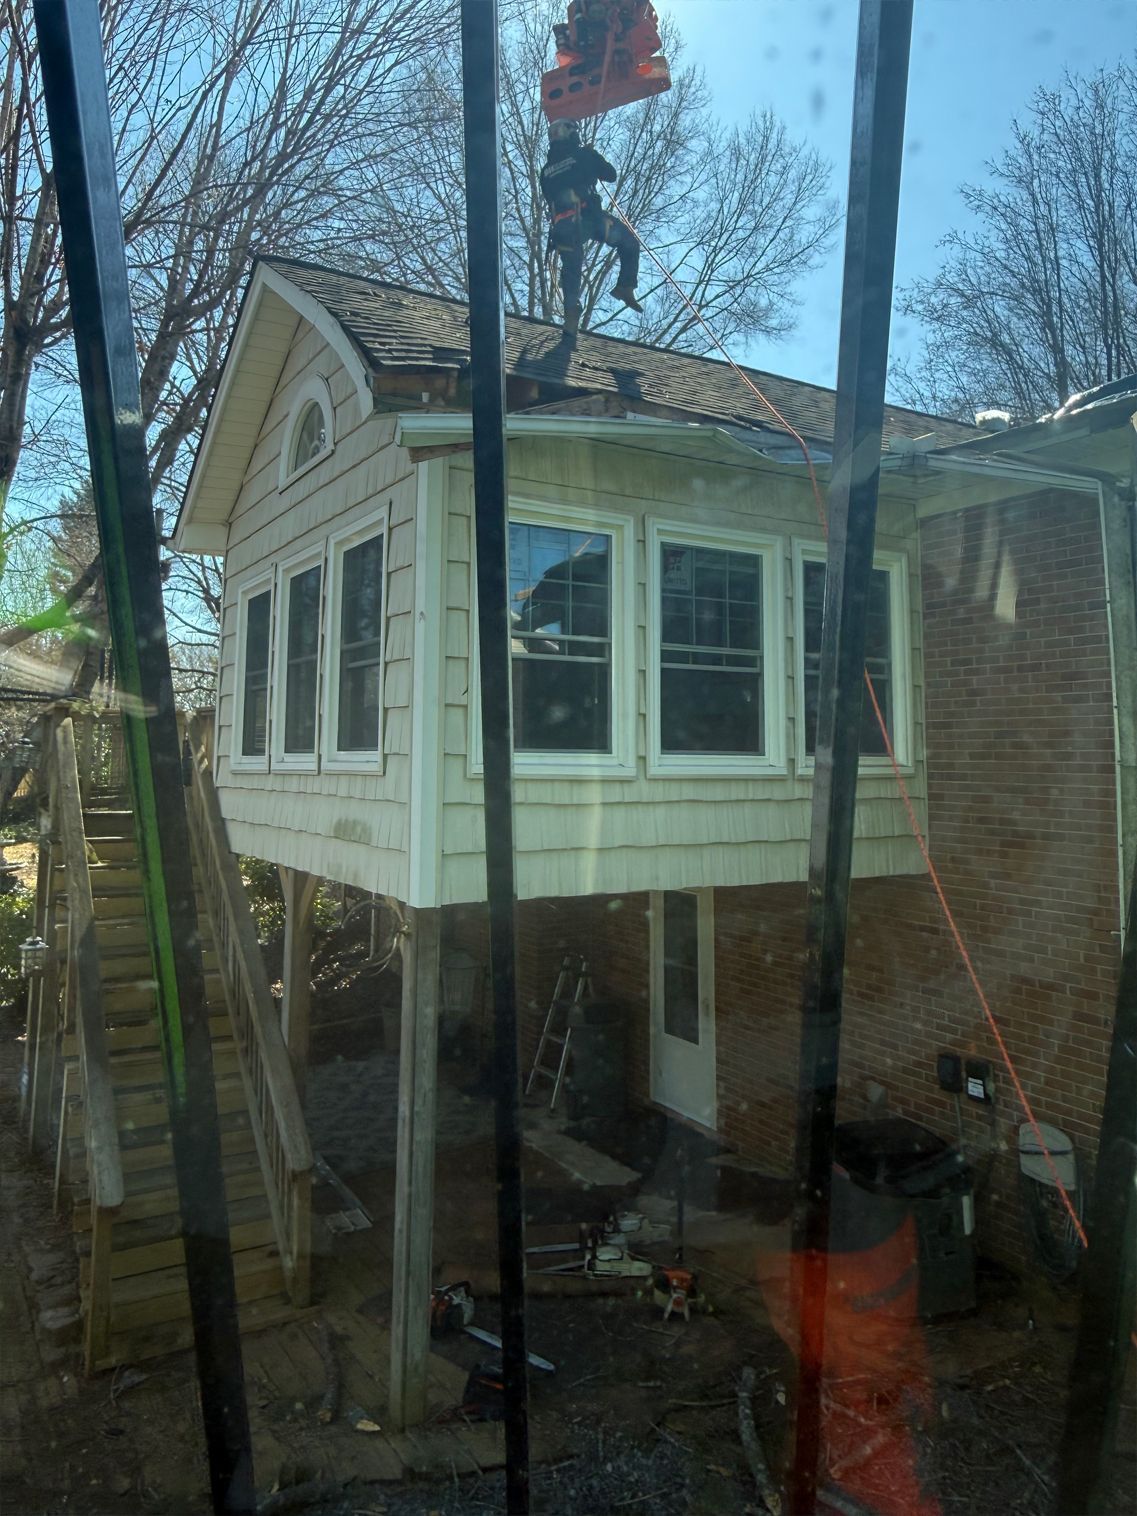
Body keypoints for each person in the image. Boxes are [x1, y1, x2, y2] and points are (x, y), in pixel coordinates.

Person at [540, 119, 643, 337]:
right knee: (629, 242)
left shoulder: (546, 170)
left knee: (571, 271)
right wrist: (593, 157)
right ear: (571, 134)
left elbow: (549, 195)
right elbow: (611, 175)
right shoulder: (583, 155)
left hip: (563, 226)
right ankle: (626, 286)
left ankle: (570, 314)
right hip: (589, 218)